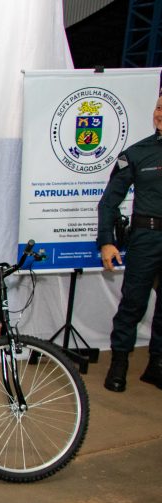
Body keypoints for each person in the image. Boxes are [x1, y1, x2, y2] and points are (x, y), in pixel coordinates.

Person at [97, 93, 162, 393]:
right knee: (133, 303)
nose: (159, 113)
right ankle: (119, 363)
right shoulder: (135, 154)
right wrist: (106, 242)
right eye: (158, 106)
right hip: (146, 238)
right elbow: (109, 202)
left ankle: (156, 364)